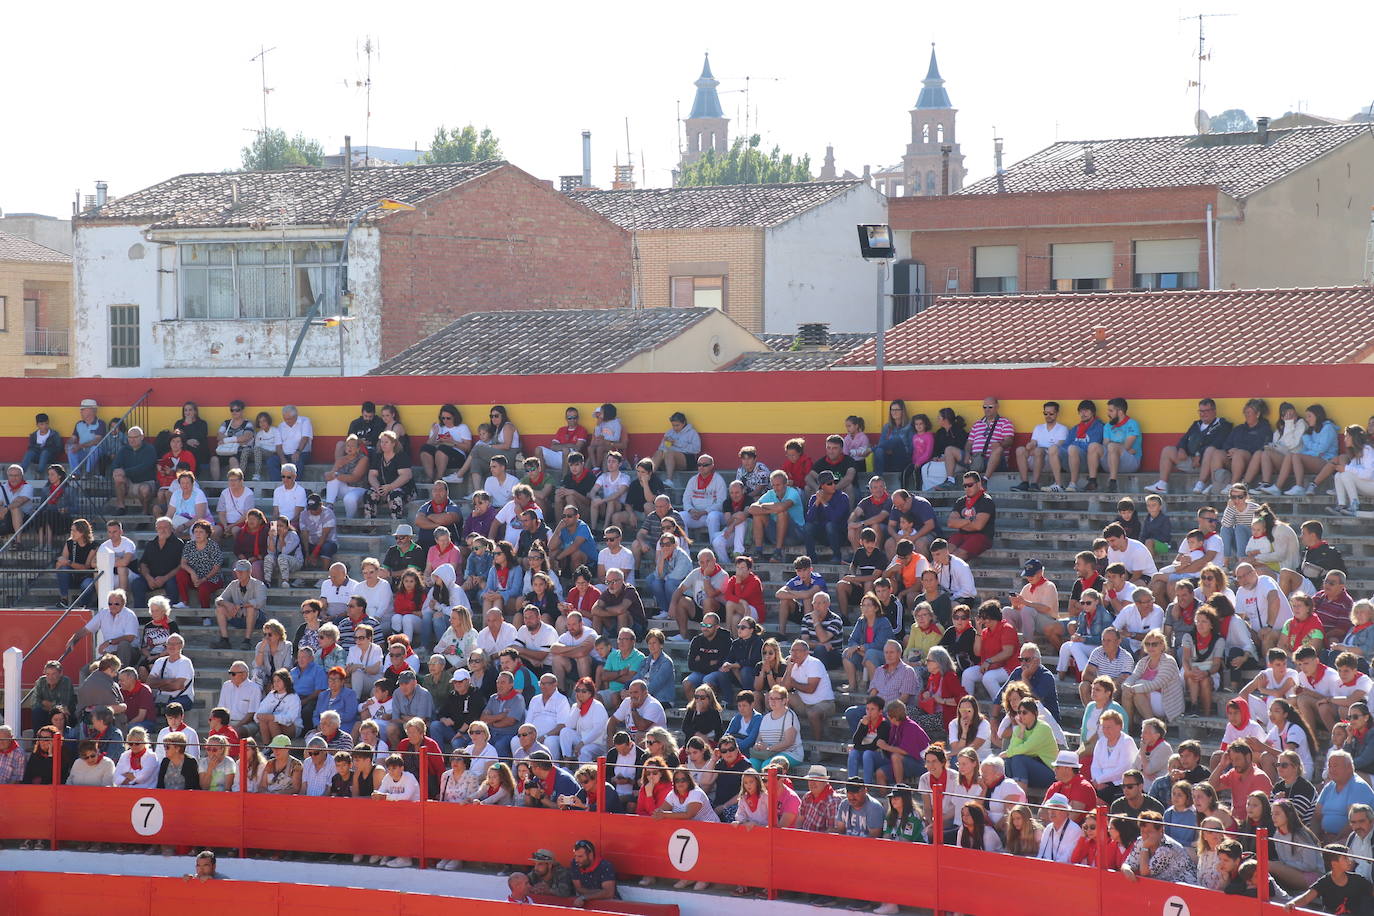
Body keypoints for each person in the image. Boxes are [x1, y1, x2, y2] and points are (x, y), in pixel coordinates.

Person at [1146, 398, 1233, 495]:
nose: (1203, 414)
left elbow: (1218, 443)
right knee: (1167, 450)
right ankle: (1162, 485)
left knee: (1210, 450)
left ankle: (1201, 483)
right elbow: (1184, 439)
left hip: (1209, 464)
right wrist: (1181, 449)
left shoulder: (1224, 425)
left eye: (1206, 411)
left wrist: (1199, 454)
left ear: (1214, 411)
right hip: (1191, 461)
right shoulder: (1196, 424)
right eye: (1201, 411)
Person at [1284, 844, 1374, 914]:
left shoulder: (1357, 880)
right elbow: (1305, 898)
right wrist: (1293, 903)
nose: (1349, 861)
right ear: (1334, 863)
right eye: (1345, 858)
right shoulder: (1324, 883)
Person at [1121, 810, 1199, 884]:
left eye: (1149, 832)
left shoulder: (1167, 847)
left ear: (1161, 830)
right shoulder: (1140, 841)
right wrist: (1126, 869)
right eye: (1142, 832)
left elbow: (1145, 872)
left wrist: (1145, 847)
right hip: (1164, 886)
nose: (1145, 836)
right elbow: (1128, 863)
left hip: (1185, 886)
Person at [1013, 401, 1069, 491]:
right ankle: (1025, 483)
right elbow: (1033, 442)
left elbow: (1059, 446)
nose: (1048, 416)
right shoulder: (1038, 428)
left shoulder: (1062, 428)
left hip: (1051, 462)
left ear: (1057, 413)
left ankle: (1035, 483)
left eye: (1051, 413)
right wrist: (1029, 446)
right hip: (1036, 458)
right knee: (1020, 450)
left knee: (1039, 451)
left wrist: (1039, 449)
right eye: (1045, 413)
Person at [749, 470, 804, 561]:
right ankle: (758, 552)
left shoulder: (793, 492)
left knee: (782, 513)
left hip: (795, 535)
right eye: (773, 485)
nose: (775, 488)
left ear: (786, 484)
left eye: (778, 485)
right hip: (775, 534)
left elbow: (782, 507)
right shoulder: (770, 493)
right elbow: (752, 509)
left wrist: (764, 506)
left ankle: (778, 553)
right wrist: (771, 509)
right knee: (758, 515)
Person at [110, 426, 157, 515]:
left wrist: (125, 472)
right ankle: (121, 507)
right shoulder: (124, 450)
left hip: (146, 481)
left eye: (135, 437)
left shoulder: (150, 449)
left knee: (145, 489)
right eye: (130, 437)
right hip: (130, 482)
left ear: (142, 437)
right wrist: (116, 470)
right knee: (118, 477)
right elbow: (115, 464)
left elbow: (145, 467)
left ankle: (145, 512)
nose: (132, 440)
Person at [947, 471, 994, 560]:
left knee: (958, 555)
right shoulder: (961, 501)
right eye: (965, 486)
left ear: (979, 484)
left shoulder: (986, 501)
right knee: (944, 553)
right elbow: (950, 523)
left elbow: (978, 526)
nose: (967, 488)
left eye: (970, 485)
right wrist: (969, 521)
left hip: (981, 536)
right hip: (962, 534)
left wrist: (960, 523)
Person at [570, 839, 619, 906]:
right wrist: (600, 892)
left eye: (580, 856)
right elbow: (579, 889)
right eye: (575, 856)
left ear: (590, 855)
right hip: (587, 903)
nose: (576, 859)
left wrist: (585, 897)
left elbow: (609, 893)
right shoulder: (575, 864)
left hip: (610, 905)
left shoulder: (605, 866)